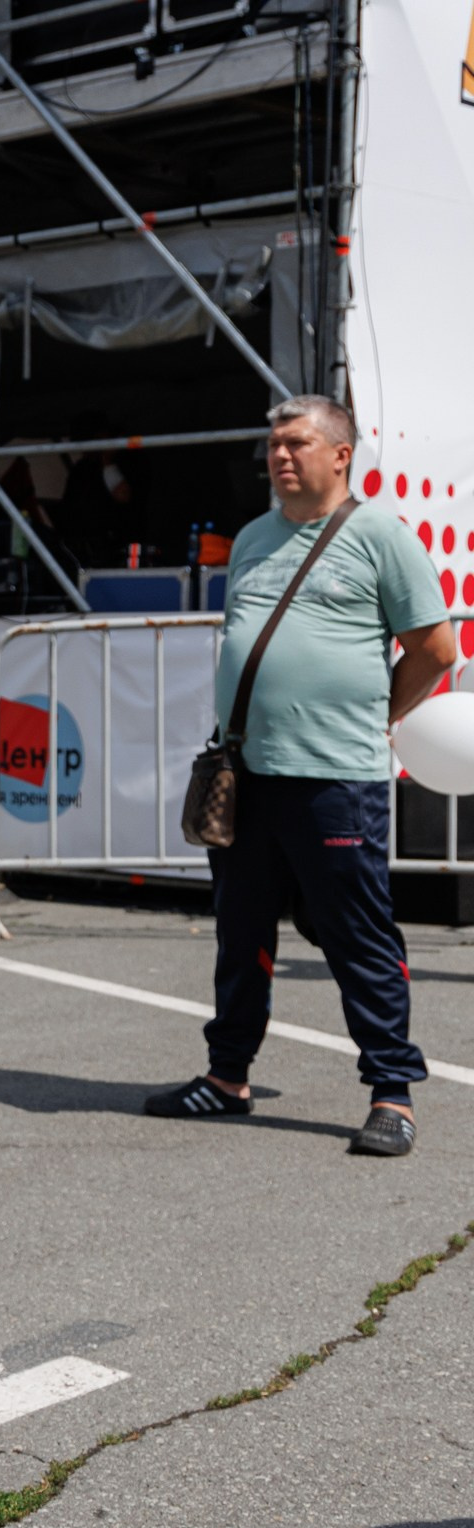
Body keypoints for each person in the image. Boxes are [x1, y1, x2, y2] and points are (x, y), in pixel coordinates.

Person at [144, 395, 456, 1155]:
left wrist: (376, 715)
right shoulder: (253, 537)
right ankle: (227, 1078)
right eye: (274, 444)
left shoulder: (381, 535)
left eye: (297, 443)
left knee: (358, 937)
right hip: (247, 772)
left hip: (335, 778)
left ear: (342, 454)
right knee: (240, 933)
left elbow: (436, 649)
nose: (279, 455)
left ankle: (392, 1092)